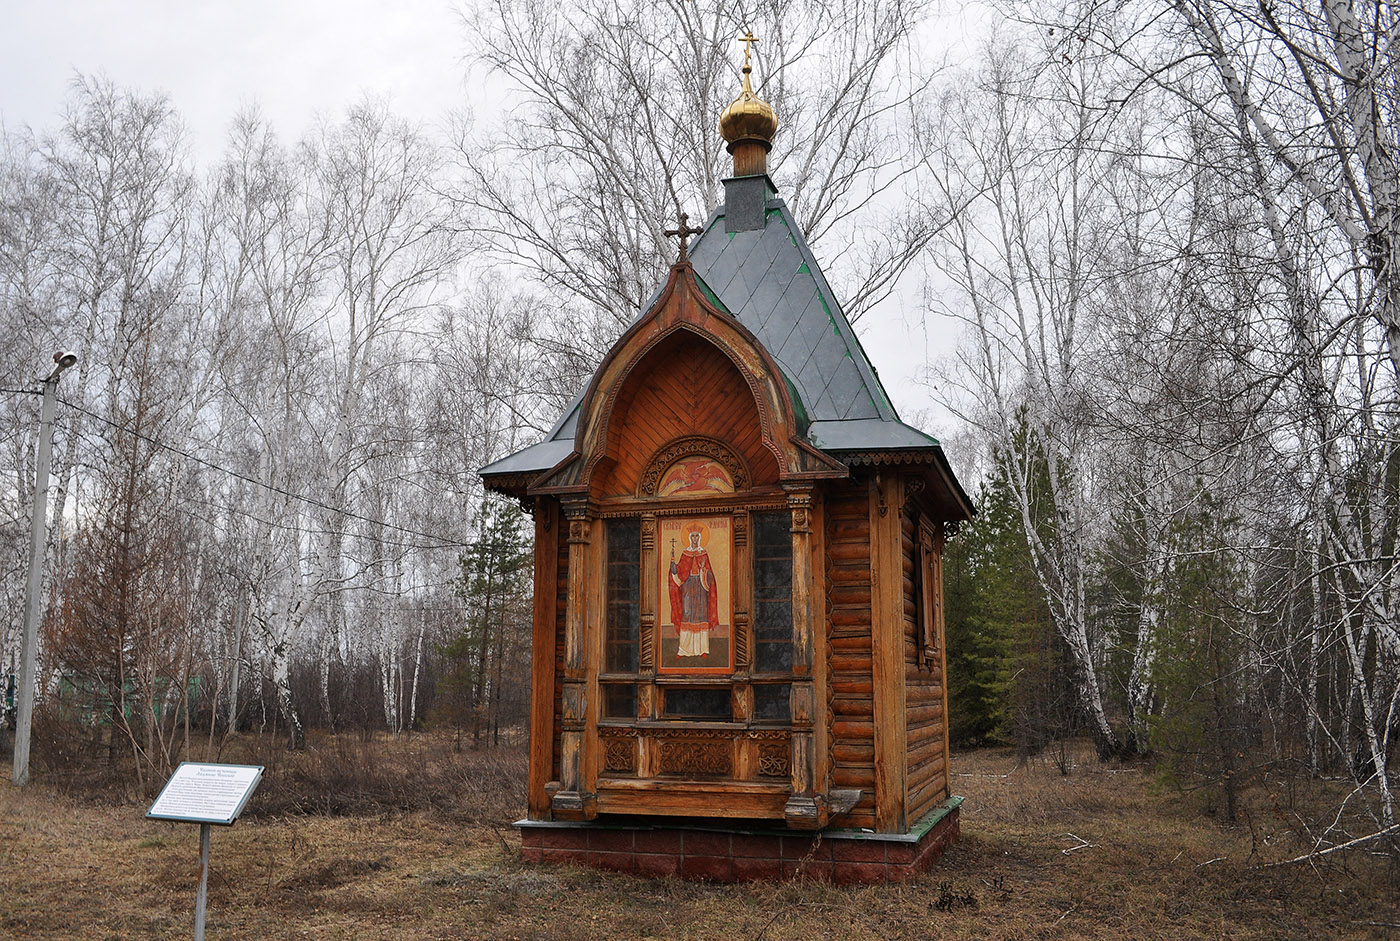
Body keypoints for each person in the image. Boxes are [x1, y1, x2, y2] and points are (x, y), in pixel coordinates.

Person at [668, 523, 718, 657]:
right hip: (688, 587)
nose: (695, 539)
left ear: (699, 538)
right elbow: (681, 571)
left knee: (701, 615)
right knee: (687, 614)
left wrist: (703, 569)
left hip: (701, 587)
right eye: (693, 536)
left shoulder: (703, 554)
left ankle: (702, 650)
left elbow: (710, 575)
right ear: (690, 538)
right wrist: (674, 569)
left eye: (697, 536)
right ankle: (684, 650)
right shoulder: (685, 554)